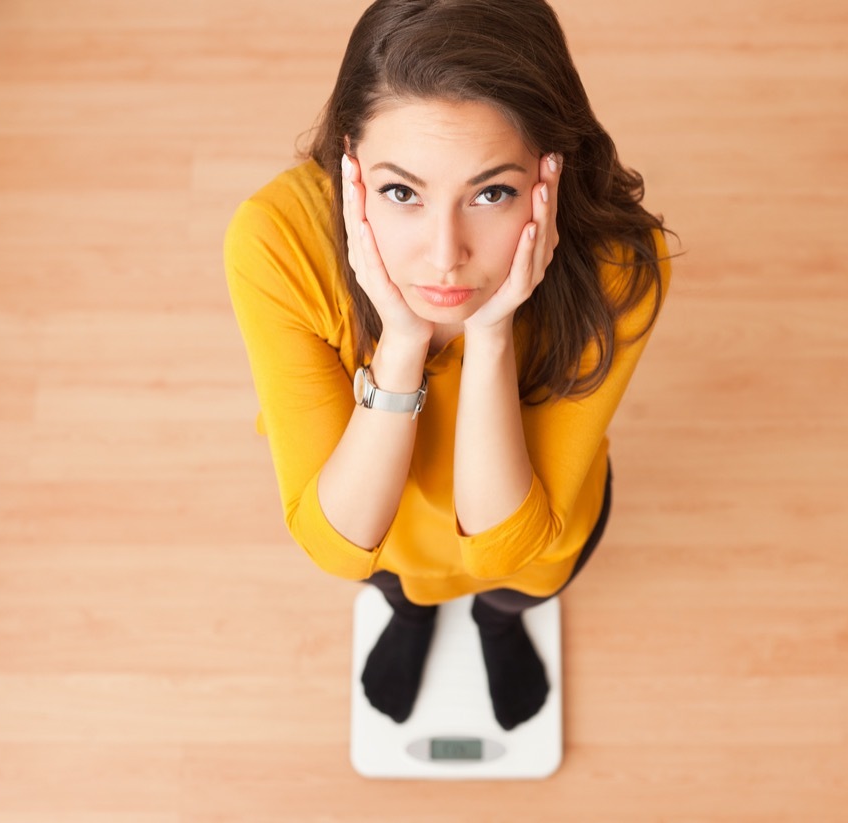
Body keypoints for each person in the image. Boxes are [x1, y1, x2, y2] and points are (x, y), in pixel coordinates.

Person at [224, 0, 673, 732]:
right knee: (398, 585)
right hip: (384, 533)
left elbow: (510, 542)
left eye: (491, 192)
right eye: (401, 192)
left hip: (535, 539)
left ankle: (497, 626)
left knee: (513, 590)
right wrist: (402, 345)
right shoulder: (279, 241)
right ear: (351, 163)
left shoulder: (618, 265)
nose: (444, 255)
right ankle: (412, 614)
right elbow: (340, 544)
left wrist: (491, 332)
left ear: (547, 172)